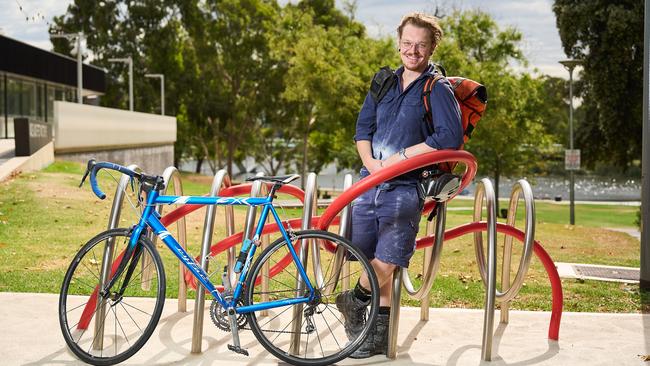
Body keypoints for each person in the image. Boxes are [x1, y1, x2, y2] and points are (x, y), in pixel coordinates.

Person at [336, 12, 463, 358]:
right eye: (407, 43)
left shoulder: (437, 89)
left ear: (432, 47)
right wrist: (372, 165)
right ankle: (376, 340)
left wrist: (402, 157)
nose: (413, 51)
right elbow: (362, 131)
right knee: (371, 262)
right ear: (398, 43)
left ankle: (353, 300)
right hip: (369, 184)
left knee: (389, 259)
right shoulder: (384, 82)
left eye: (421, 45)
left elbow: (449, 137)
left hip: (407, 187)